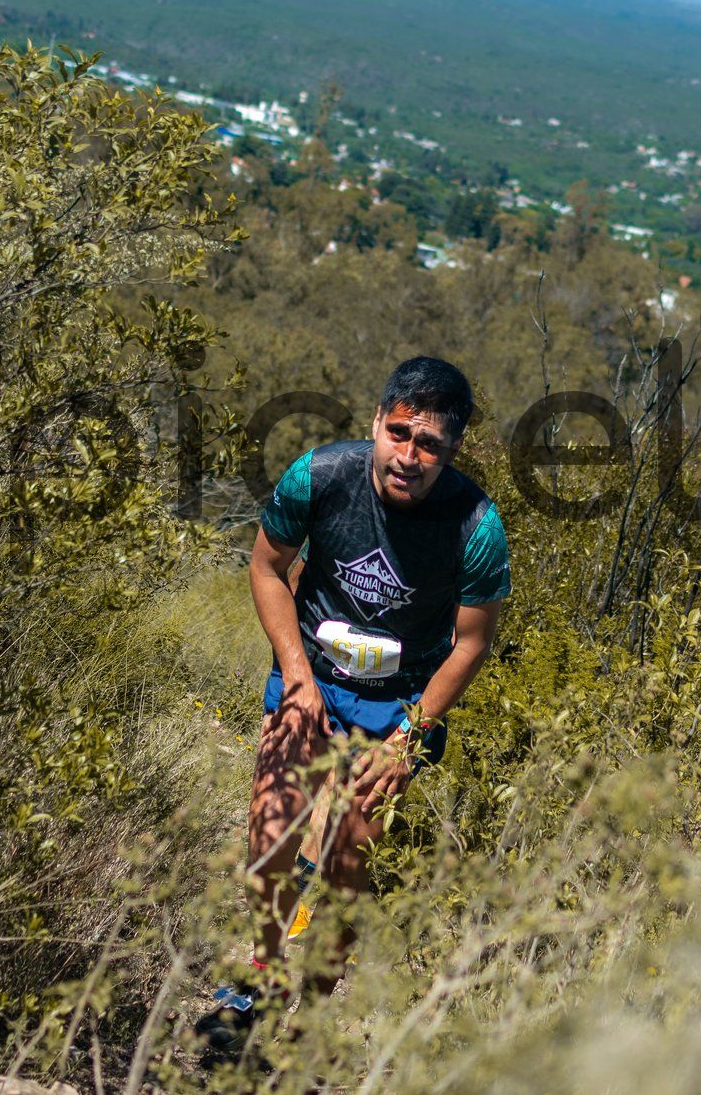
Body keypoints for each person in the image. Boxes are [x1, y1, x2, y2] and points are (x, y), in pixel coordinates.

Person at [195, 356, 510, 1055]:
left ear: (451, 449)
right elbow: (266, 566)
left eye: (429, 444)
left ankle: (305, 1021)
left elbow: (471, 643)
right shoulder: (320, 476)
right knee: (273, 830)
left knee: (346, 863)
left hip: (399, 703)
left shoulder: (476, 525)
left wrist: (408, 737)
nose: (409, 456)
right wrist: (296, 674)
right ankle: (255, 981)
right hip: (312, 673)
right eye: (398, 432)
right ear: (376, 421)